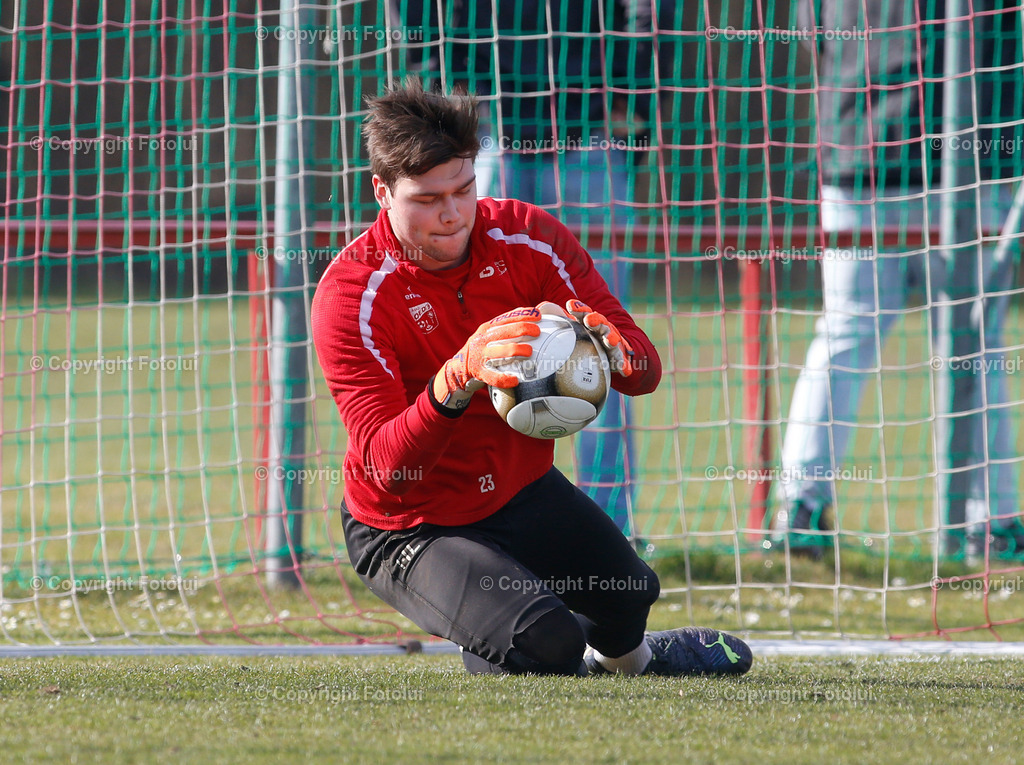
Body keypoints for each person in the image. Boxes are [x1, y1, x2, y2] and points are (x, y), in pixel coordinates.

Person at [312, 78, 752, 676]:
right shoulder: (350, 294)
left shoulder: (528, 237)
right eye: (425, 198)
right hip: (410, 524)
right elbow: (388, 472)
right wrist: (457, 377)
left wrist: (610, 350)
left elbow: (643, 373)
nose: (450, 214)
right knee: (546, 644)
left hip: (519, 490)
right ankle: (517, 628)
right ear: (382, 192)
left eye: (464, 189)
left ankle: (636, 662)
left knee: (628, 596)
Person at [772, 0, 1024, 560]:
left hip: (939, 163)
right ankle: (991, 521)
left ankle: (993, 520)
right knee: (943, 338)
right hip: (895, 160)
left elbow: (812, 35)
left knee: (948, 341)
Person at [393, 0, 652, 534]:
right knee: (473, 345)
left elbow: (648, 12)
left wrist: (635, 97)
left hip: (589, 135)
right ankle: (464, 516)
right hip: (484, 136)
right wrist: (441, 87)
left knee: (603, 345)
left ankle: (608, 532)